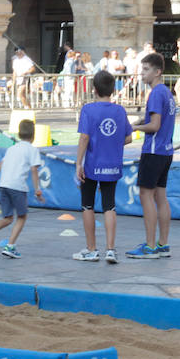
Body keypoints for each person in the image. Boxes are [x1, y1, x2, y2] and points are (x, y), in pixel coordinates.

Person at [72, 70, 133, 264]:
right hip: (112, 164)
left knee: (87, 205)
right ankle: (111, 249)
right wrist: (112, 145)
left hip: (92, 164)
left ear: (94, 89)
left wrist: (78, 163)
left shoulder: (88, 110)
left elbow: (84, 137)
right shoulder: (120, 111)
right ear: (113, 90)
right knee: (109, 206)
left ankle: (91, 249)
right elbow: (128, 137)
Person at [126, 53, 176, 260]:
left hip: (154, 151)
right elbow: (156, 119)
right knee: (161, 197)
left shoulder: (155, 93)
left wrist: (134, 127)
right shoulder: (167, 92)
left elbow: (154, 125)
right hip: (166, 152)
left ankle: (149, 245)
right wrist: (139, 120)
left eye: (146, 69)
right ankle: (163, 244)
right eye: (142, 69)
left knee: (146, 195)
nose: (142, 73)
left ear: (157, 72)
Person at [0, 119, 44, 259]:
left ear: (19, 134)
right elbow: (34, 171)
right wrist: (37, 189)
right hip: (18, 187)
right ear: (33, 135)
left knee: (7, 218)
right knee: (22, 216)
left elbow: (0, 166)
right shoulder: (32, 150)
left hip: (4, 185)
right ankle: (11, 246)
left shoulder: (12, 149)